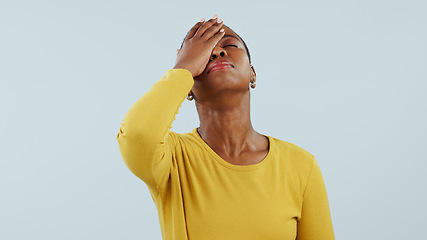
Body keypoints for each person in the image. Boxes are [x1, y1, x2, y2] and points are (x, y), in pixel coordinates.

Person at [117, 15, 335, 240]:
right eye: (204, 52)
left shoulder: (301, 166)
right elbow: (137, 135)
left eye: (230, 45)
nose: (217, 52)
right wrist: (183, 68)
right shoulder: (171, 159)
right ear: (189, 87)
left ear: (252, 73)